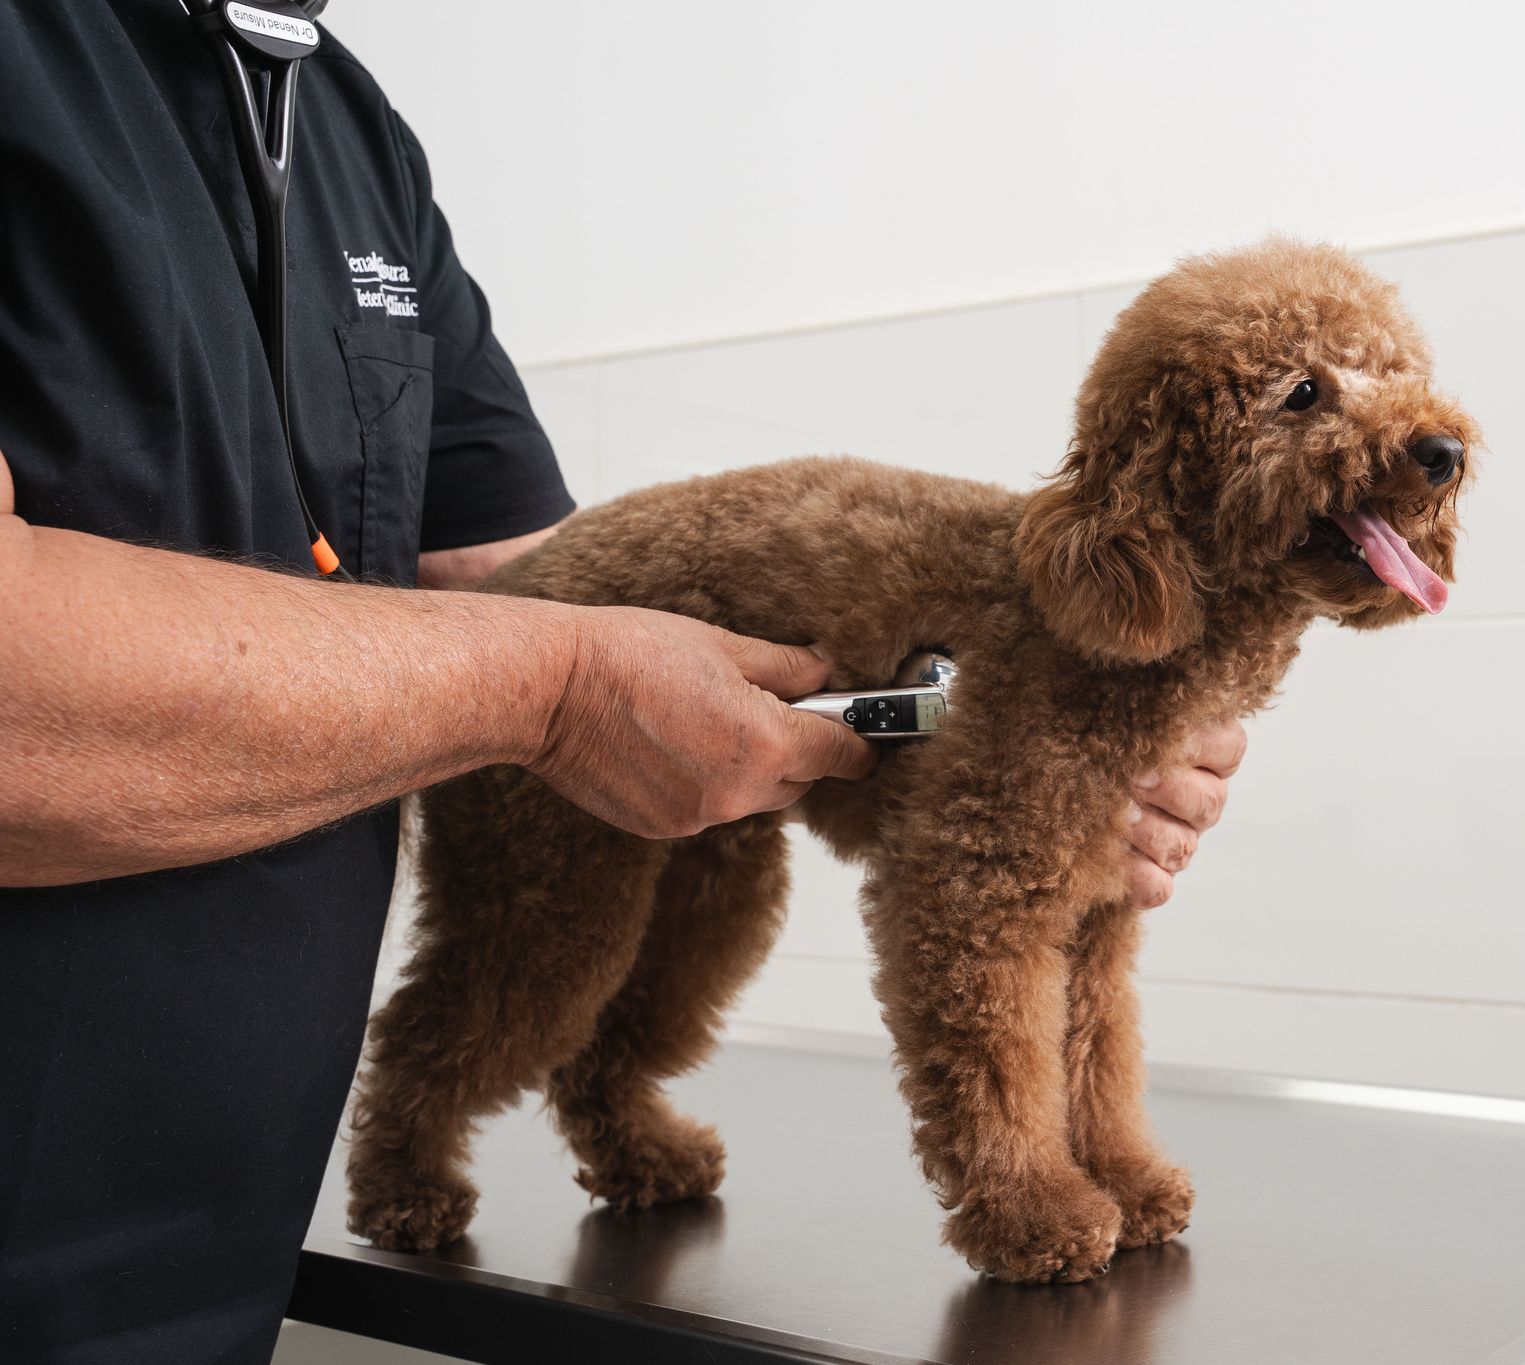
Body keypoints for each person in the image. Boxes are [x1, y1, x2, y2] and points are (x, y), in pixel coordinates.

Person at [0, 5, 1246, 1362]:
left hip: (213, 1255)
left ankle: (608, 1095)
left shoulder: (334, 116)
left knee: (734, 871)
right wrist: (560, 688)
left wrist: (1000, 713)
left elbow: (532, 572)